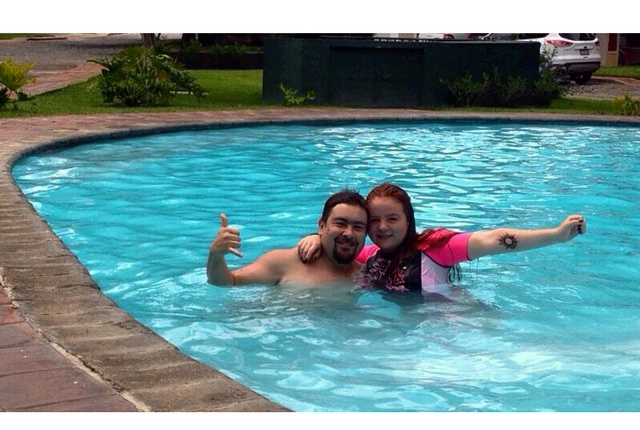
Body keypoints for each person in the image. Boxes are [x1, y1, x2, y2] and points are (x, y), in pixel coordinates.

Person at [297, 182, 587, 293]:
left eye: (392, 219)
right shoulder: (368, 254)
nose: (383, 227)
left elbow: (496, 239)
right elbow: (337, 249)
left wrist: (555, 234)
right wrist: (313, 237)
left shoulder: (437, 247)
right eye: (375, 220)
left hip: (447, 328)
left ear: (408, 221)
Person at [207, 189, 368, 287]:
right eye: (340, 223)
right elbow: (227, 283)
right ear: (321, 226)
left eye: (358, 227)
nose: (349, 233)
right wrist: (215, 255)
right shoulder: (284, 262)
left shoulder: (365, 275)